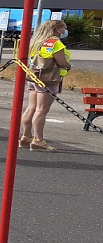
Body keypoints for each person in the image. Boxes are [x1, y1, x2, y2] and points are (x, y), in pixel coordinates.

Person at [19, 19, 72, 151]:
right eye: (63, 28)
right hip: (49, 79)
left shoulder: (37, 42)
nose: (65, 31)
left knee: (31, 108)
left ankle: (26, 136)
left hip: (34, 77)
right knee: (41, 110)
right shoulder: (55, 43)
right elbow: (61, 62)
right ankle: (38, 140)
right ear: (57, 28)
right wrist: (68, 66)